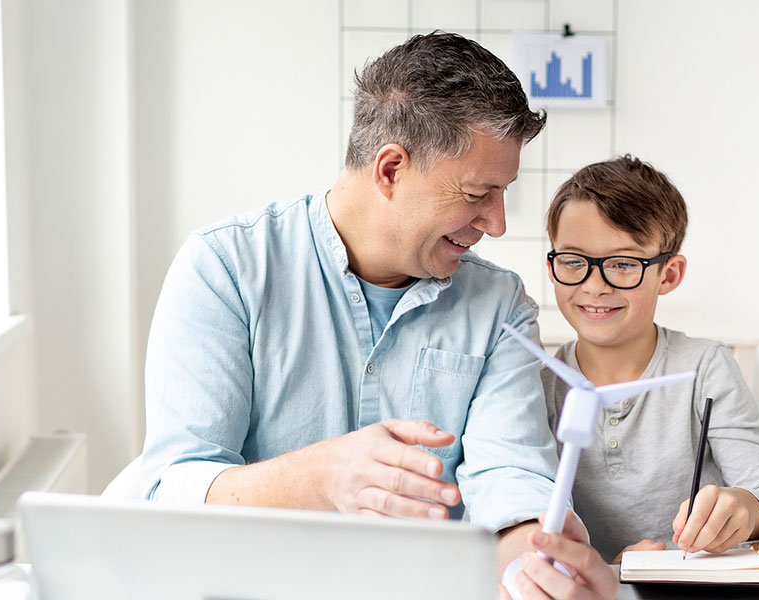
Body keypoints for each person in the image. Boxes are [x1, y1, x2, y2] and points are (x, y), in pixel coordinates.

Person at [141, 32, 619, 599]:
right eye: (478, 193)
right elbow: (172, 487)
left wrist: (535, 568)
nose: (497, 223)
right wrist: (322, 476)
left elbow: (508, 479)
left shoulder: (500, 305)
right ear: (390, 169)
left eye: (504, 193)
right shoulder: (225, 269)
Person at [540, 155, 759, 563]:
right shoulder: (538, 386)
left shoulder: (705, 367)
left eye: (624, 264)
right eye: (573, 261)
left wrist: (748, 509)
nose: (594, 286)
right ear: (552, 267)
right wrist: (608, 569)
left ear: (669, 275)